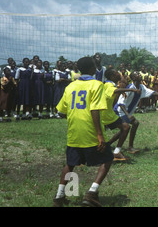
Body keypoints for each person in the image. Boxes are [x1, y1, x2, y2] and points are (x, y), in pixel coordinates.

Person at [53, 56, 113, 207]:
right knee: (107, 158)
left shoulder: (70, 86)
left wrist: (75, 116)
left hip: (74, 131)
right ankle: (92, 193)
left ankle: (59, 197)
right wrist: (99, 134)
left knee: (70, 163)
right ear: (93, 69)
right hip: (90, 130)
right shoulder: (96, 84)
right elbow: (94, 110)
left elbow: (61, 111)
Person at [114, 71, 158, 153]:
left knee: (124, 130)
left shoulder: (141, 87)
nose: (140, 75)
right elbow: (121, 103)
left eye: (139, 74)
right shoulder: (129, 87)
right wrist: (128, 115)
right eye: (137, 74)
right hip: (120, 111)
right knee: (134, 123)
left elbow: (152, 93)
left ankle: (110, 144)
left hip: (126, 112)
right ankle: (128, 147)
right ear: (133, 78)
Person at [101, 68, 143, 161]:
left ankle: (115, 151)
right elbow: (114, 91)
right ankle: (113, 151)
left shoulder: (112, 84)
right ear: (112, 76)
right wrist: (131, 90)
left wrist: (121, 90)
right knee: (125, 127)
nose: (119, 74)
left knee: (125, 127)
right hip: (105, 114)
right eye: (117, 73)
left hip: (109, 113)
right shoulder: (108, 84)